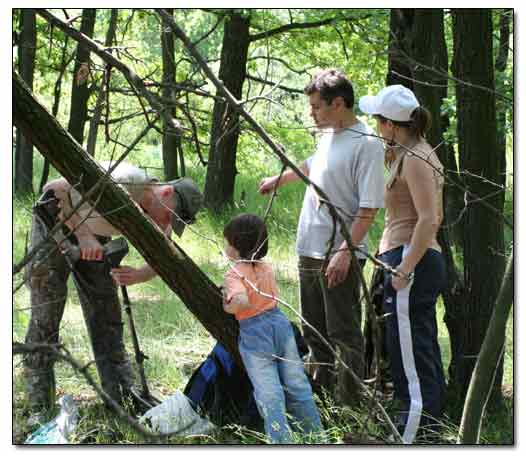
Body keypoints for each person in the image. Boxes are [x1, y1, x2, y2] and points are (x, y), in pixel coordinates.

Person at [23, 160, 203, 418]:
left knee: (106, 312)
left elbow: (165, 255)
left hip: (94, 234)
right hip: (55, 218)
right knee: (47, 310)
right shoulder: (127, 180)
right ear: (166, 193)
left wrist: (140, 275)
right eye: (171, 217)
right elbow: (55, 187)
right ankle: (39, 404)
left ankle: (121, 397)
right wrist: (84, 235)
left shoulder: (159, 213)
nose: (167, 223)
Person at [259, 69, 385, 407]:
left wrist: (345, 252)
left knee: (343, 333)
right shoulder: (329, 134)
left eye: (316, 106)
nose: (311, 113)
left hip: (340, 252)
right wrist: (279, 179)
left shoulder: (368, 143)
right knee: (313, 330)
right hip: (309, 249)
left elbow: (369, 209)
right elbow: (313, 166)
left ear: (339, 103)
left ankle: (348, 407)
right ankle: (322, 403)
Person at [359, 85, 446, 443]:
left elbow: (430, 218)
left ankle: (414, 436)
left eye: (379, 120)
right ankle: (424, 429)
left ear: (392, 124)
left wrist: (405, 268)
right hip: (405, 258)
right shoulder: (408, 153)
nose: (376, 126)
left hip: (413, 260)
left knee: (410, 356)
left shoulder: (417, 158)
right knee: (413, 348)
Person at [222, 213, 322, 444]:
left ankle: (280, 440)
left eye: (227, 241)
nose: (225, 246)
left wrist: (227, 304)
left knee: (270, 393)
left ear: (236, 244)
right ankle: (315, 436)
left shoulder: (234, 273)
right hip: (280, 324)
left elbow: (240, 301)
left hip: (254, 332)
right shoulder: (265, 267)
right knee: (297, 384)